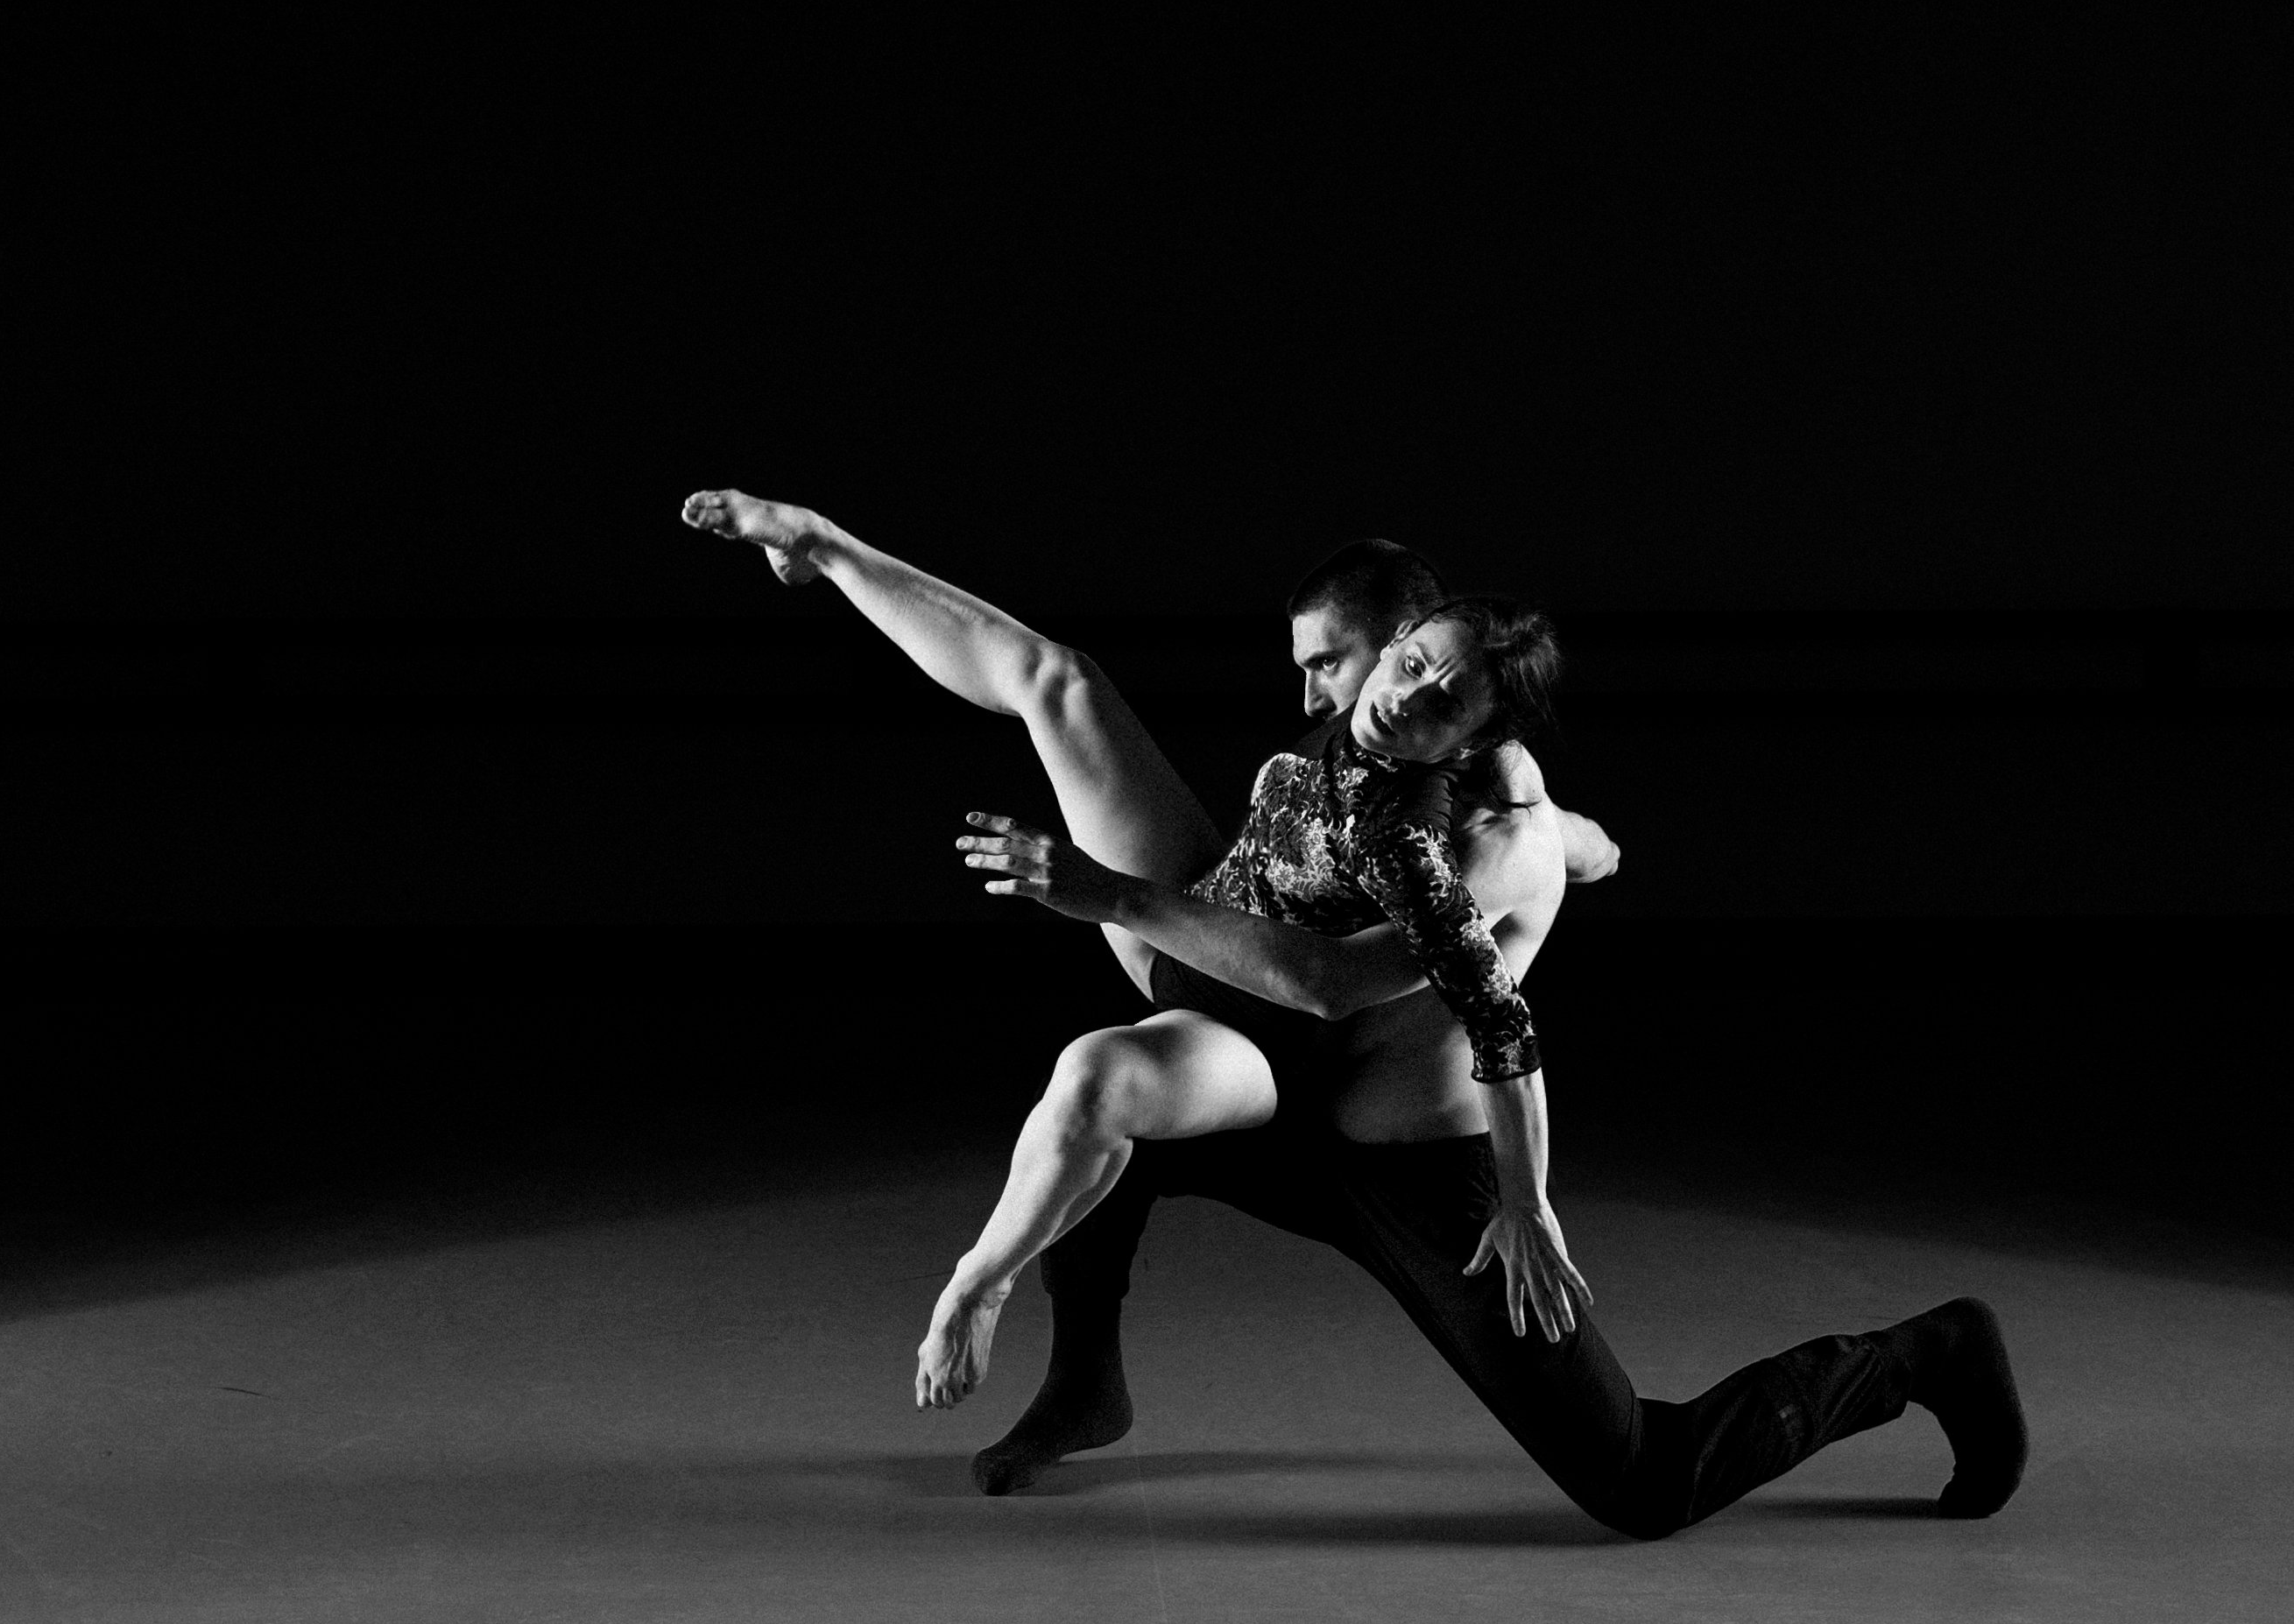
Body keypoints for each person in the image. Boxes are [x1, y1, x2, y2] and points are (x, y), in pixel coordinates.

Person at [679, 489, 2024, 1536]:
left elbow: (1349, 982)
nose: (1324, 695)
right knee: (1068, 721)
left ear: (1444, 689)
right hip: (1239, 1033)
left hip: (1385, 1145)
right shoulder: (1410, 714)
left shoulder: (1475, 834)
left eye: (1340, 666)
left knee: (1638, 1477)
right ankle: (1086, 1380)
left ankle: (1923, 1353)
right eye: (1334, 669)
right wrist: (828, 545)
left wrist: (1098, 893)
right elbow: (1537, 828)